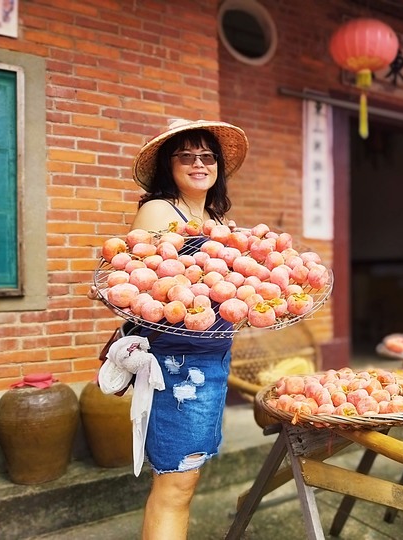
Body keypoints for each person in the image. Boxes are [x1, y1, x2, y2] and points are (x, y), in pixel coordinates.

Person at [106, 119, 248, 539]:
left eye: (207, 155)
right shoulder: (159, 210)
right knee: (176, 482)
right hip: (175, 362)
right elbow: (139, 283)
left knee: (184, 478)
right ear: (168, 166)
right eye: (186, 155)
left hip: (209, 358)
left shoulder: (216, 217)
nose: (198, 163)